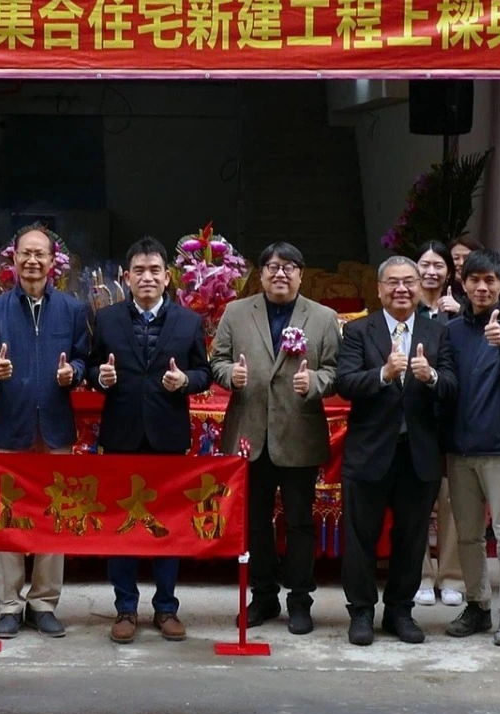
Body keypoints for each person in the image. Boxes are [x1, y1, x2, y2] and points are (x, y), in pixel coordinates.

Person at [209, 241, 341, 635]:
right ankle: (263, 595)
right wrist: (231, 375)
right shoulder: (236, 312)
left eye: (288, 267)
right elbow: (217, 361)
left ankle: (300, 600)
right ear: (261, 273)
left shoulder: (323, 317)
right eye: (272, 266)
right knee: (255, 523)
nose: (280, 273)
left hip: (298, 433)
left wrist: (314, 381)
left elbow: (336, 370)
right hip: (249, 434)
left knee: (299, 523)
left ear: (301, 274)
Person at [89, 237, 210, 644]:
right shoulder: (106, 319)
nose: (147, 278)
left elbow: (204, 373)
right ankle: (125, 607)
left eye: (155, 270)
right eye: (138, 271)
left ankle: (166, 607)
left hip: (167, 436)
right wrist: (100, 377)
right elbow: (90, 366)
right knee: (121, 525)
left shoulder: (188, 321)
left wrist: (185, 380)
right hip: (121, 435)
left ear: (167, 277)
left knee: (167, 523)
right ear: (126, 277)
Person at [0, 225, 91, 639]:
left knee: (54, 516)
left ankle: (43, 602)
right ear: (14, 259)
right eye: (25, 253)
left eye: (41, 254)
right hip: (10, 428)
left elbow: (83, 359)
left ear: (54, 261)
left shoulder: (72, 310)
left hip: (55, 430)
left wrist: (73, 373)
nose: (33, 261)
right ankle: (9, 604)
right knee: (8, 517)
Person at [333, 255, 455, 646]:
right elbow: (344, 383)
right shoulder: (358, 331)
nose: (401, 289)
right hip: (369, 452)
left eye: (408, 281)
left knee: (412, 537)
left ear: (419, 286)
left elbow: (453, 385)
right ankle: (361, 611)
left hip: (418, 453)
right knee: (360, 537)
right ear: (379, 288)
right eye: (393, 282)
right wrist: (383, 375)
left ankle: (400, 610)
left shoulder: (438, 332)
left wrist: (431, 376)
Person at [440, 249, 500, 647]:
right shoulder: (452, 331)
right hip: (460, 449)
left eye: (489, 281)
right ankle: (478, 604)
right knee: (468, 534)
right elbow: (445, 384)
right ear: (463, 284)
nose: (481, 287)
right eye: (474, 280)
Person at [411, 240, 463, 610]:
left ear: (449, 272)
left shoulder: (461, 311)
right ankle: (421, 576)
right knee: (415, 502)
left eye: (438, 265)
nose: (431, 271)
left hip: (453, 418)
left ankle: (453, 576)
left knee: (453, 501)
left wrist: (460, 314)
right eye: (424, 264)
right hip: (414, 418)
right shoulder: (402, 309)